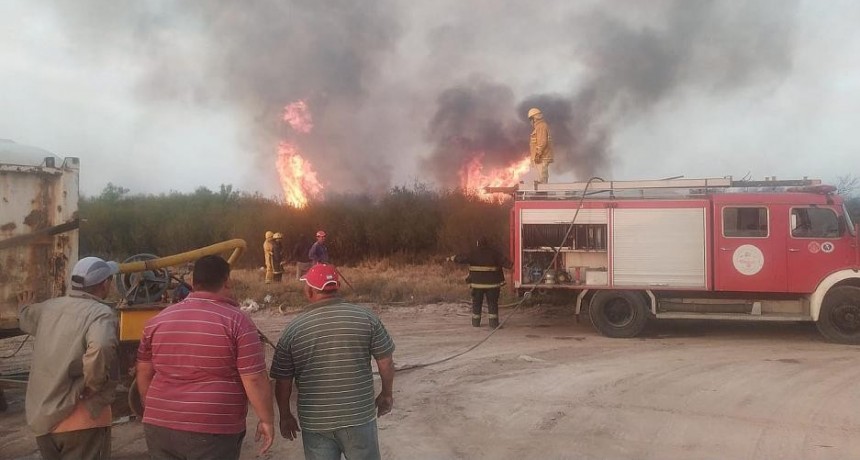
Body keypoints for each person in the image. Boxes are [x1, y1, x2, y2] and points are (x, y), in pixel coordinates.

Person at [136, 255, 274, 459]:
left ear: (193, 282)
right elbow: (254, 378)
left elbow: (144, 371)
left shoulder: (157, 320)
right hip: (212, 429)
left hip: (158, 425)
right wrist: (266, 419)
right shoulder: (237, 321)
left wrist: (155, 409)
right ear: (227, 280)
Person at [270, 264, 395, 460]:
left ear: (310, 290)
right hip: (358, 417)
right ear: (337, 286)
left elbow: (283, 382)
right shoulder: (366, 318)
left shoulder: (293, 330)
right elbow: (385, 363)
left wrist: (285, 415)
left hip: (316, 423)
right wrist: (387, 394)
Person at [17, 256, 120, 460]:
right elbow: (100, 346)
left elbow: (27, 318)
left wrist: (24, 308)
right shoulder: (100, 314)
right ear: (105, 284)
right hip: (81, 420)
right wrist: (94, 383)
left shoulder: (49, 307)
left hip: (43, 421)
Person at [449, 237, 513, 328]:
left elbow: (462, 258)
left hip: (477, 285)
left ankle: (476, 323)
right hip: (492, 285)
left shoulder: (473, 253)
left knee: (477, 303)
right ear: (487, 244)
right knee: (492, 303)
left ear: (478, 244)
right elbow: (507, 263)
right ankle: (494, 324)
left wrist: (453, 258)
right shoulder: (494, 253)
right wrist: (514, 266)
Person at [527, 107, 554, 185]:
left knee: (542, 177)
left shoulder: (541, 126)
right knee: (541, 177)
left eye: (530, 119)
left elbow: (542, 141)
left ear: (534, 118)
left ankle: (543, 193)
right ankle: (541, 191)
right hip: (540, 157)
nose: (530, 122)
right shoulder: (539, 126)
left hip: (542, 157)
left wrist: (538, 154)